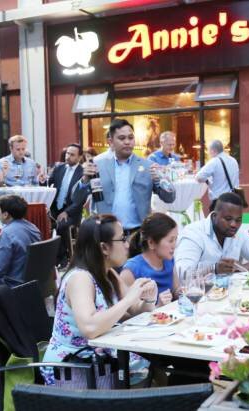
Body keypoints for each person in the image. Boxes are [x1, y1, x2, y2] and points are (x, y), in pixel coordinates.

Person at [41, 214, 157, 386]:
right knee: (152, 370)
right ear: (104, 247)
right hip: (74, 370)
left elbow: (134, 310)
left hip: (99, 363)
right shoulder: (80, 278)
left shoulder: (108, 272)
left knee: (155, 366)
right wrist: (129, 299)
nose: (127, 244)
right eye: (122, 239)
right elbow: (90, 327)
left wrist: (148, 299)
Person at [75, 118, 175, 235]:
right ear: (111, 141)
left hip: (137, 233)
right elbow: (76, 199)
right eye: (122, 138)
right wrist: (85, 180)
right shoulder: (97, 164)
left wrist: (163, 179)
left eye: (130, 137)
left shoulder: (147, 166)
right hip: (106, 232)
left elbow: (169, 198)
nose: (127, 142)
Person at [175, 192, 249, 275]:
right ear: (214, 216)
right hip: (201, 287)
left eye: (238, 220)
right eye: (228, 219)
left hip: (232, 286)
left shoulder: (239, 232)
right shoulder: (194, 233)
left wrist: (242, 268)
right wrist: (214, 269)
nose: (234, 224)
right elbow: (182, 273)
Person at [121, 213, 179, 306]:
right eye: (171, 240)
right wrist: (158, 306)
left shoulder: (169, 260)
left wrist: (183, 292)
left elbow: (175, 291)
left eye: (176, 239)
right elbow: (128, 311)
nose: (174, 245)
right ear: (151, 243)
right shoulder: (131, 271)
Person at [0, 195, 41, 287]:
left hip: (12, 283)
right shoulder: (33, 227)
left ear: (5, 214)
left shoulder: (7, 233)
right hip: (32, 280)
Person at [49, 143, 86, 267]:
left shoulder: (83, 173)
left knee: (61, 225)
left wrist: (67, 212)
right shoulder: (59, 168)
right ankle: (52, 257)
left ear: (79, 157)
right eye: (67, 153)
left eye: (72, 155)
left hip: (72, 211)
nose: (67, 156)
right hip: (55, 208)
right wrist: (43, 180)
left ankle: (62, 258)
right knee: (44, 223)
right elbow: (49, 184)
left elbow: (80, 200)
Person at [196, 140, 240, 212]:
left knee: (218, 219)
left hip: (220, 202)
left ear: (213, 150)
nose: (209, 153)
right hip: (234, 200)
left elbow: (199, 177)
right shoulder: (233, 160)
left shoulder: (214, 162)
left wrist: (207, 181)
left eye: (209, 150)